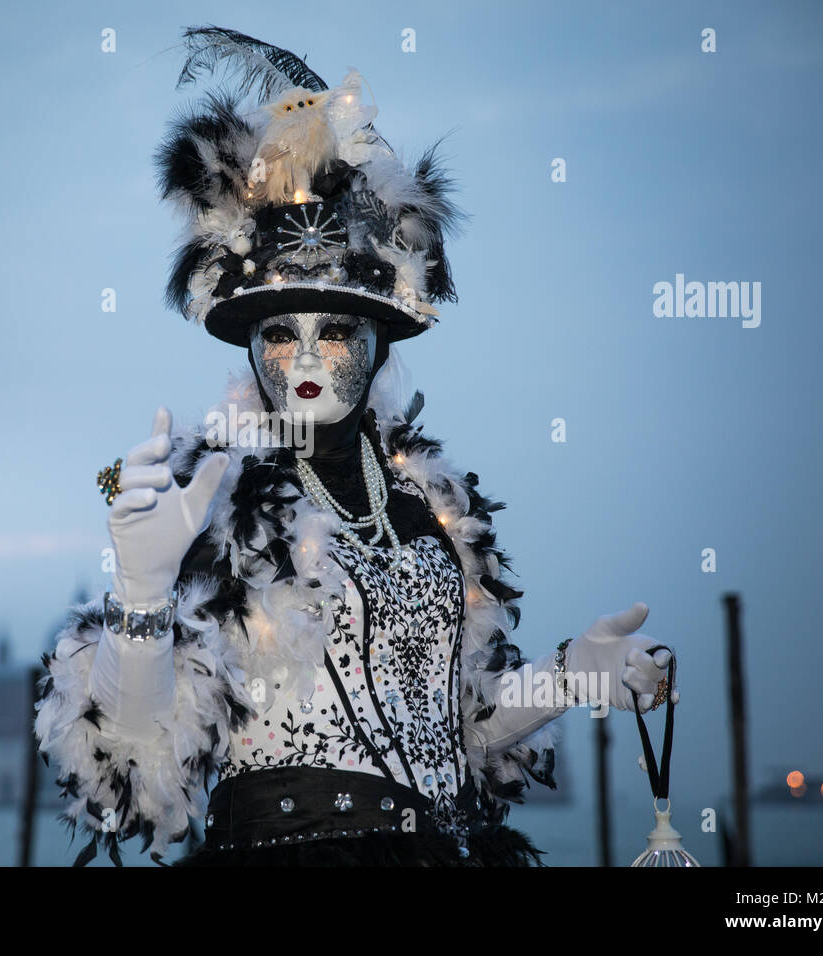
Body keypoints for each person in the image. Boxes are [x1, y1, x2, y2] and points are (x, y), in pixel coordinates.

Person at [33, 26, 676, 867]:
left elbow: (464, 729)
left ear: (377, 344)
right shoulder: (211, 498)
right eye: (278, 331)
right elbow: (131, 754)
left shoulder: (429, 503)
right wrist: (144, 590)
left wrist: (576, 674)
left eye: (333, 330)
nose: (302, 356)